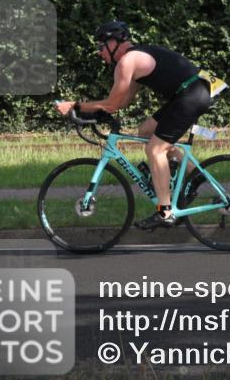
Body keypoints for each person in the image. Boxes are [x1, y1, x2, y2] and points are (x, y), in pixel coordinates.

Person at [55, 21, 211, 230]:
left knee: (155, 149)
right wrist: (96, 111)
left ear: (113, 43)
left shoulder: (127, 62)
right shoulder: (135, 58)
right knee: (146, 131)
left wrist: (76, 105)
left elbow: (112, 104)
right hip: (192, 91)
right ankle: (194, 174)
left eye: (101, 47)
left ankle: (165, 213)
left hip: (191, 95)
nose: (100, 53)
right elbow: (121, 102)